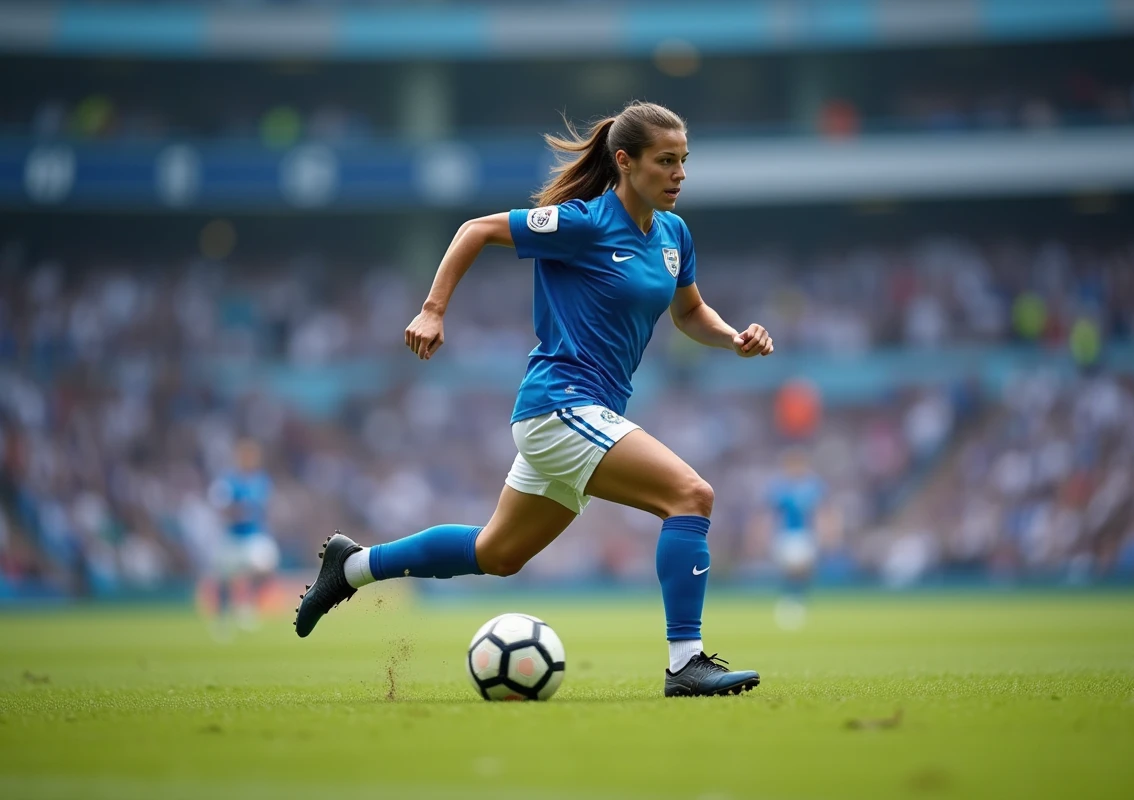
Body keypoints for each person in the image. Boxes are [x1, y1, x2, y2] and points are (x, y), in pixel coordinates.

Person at [294, 101, 775, 697]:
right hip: (560, 406)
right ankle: (686, 663)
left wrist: (733, 338)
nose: (679, 174)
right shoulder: (582, 223)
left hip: (587, 412)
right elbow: (475, 230)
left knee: (497, 553)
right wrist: (433, 309)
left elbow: (690, 311)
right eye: (665, 161)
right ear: (625, 162)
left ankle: (352, 566)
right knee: (690, 495)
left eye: (684, 161)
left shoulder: (673, 234)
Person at [206, 438, 279, 636]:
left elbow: (265, 508)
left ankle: (247, 604)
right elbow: (220, 508)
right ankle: (221, 618)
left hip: (253, 536)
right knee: (224, 578)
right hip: (232, 537)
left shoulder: (262, 480)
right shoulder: (228, 482)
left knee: (266, 566)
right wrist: (237, 511)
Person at [765, 448, 826, 630]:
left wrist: (823, 532)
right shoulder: (780, 487)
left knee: (804, 570)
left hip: (805, 534)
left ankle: (800, 601)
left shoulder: (812, 486)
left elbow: (820, 511)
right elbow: (772, 513)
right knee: (788, 570)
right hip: (786, 534)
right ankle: (789, 601)